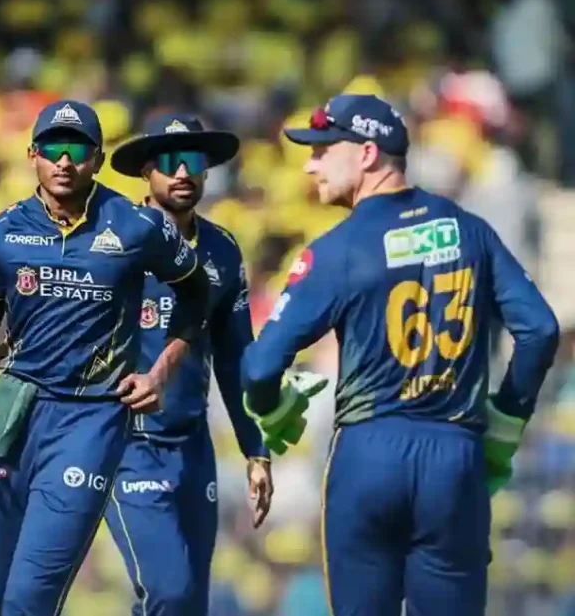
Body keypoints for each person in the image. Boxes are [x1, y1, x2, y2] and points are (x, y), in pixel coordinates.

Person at [240, 94, 560, 616]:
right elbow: (541, 331)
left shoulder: (337, 250)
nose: (309, 163)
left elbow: (258, 366)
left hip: (367, 456)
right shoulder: (470, 231)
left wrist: (274, 411)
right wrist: (506, 422)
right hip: (455, 458)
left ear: (367, 154)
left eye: (323, 148)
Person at [0, 100, 211, 616]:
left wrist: (161, 370)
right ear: (33, 155)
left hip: (90, 419)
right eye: (53, 148)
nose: (64, 161)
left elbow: (197, 294)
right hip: (14, 414)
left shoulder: (137, 226)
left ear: (96, 158)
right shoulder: (1, 233)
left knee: (28, 601)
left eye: (76, 150)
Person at [105, 113, 276, 615]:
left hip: (192, 444)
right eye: (170, 161)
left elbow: (236, 354)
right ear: (146, 172)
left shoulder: (222, 249)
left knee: (187, 604)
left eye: (193, 161)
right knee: (167, 591)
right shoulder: (113, 243)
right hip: (126, 442)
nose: (183, 172)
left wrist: (256, 448)